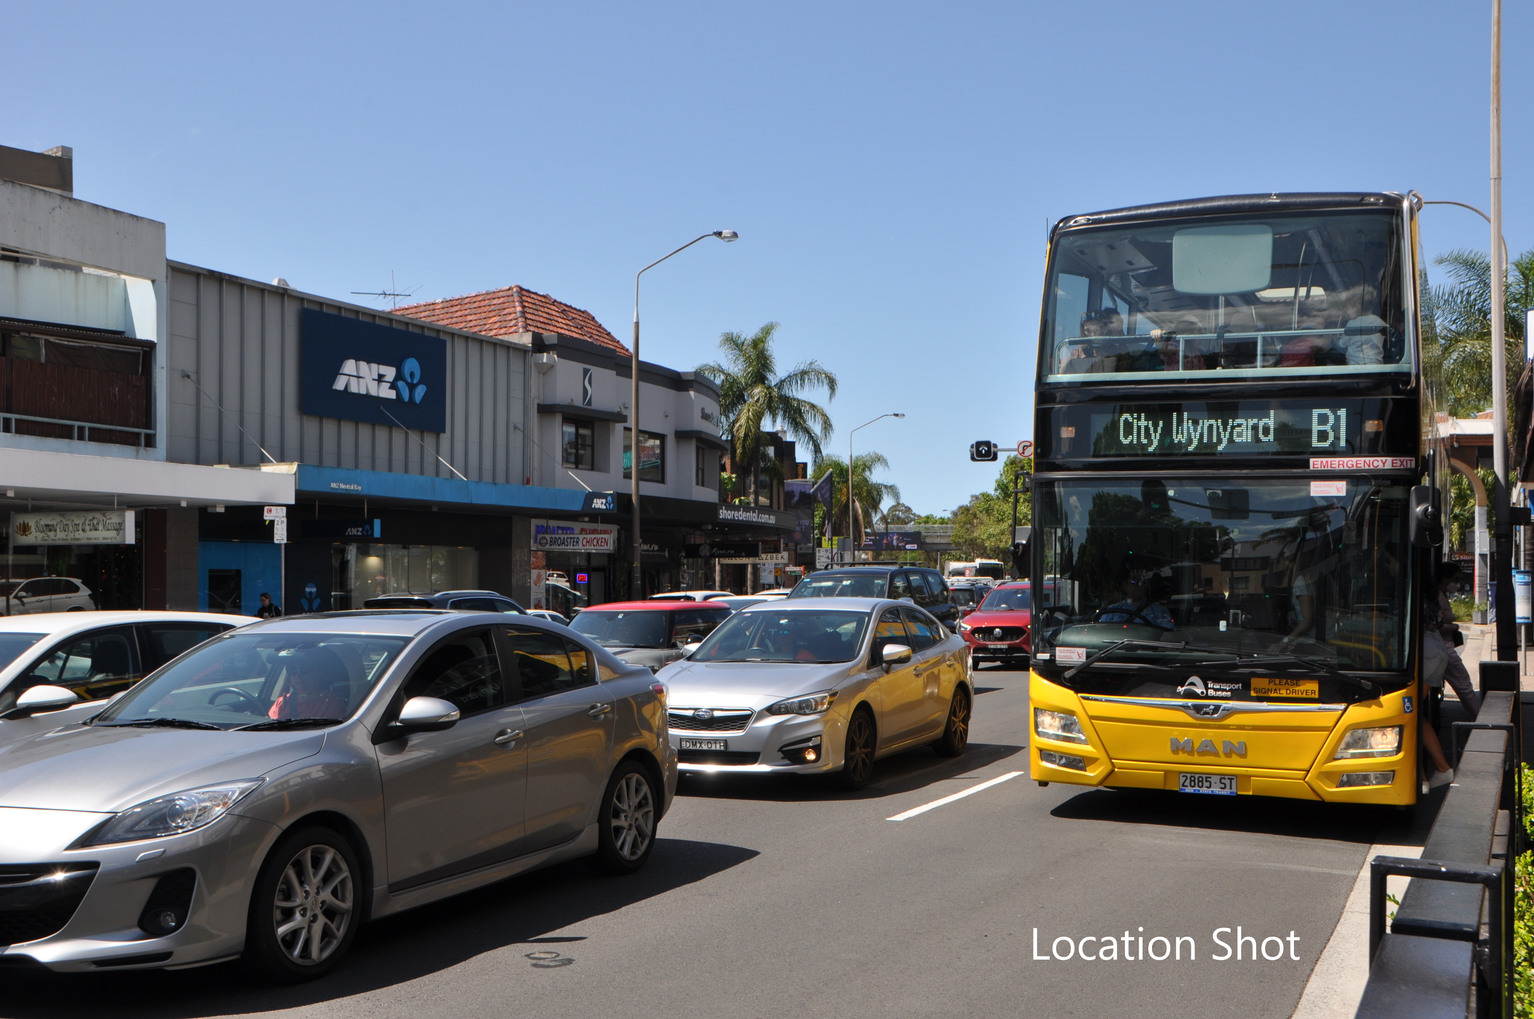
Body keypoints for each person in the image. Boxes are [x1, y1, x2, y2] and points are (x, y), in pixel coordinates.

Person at [267, 647, 350, 720]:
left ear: (318, 672)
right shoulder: (282, 702)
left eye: (304, 670)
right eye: (293, 670)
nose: (298, 676)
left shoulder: (331, 704)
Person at [1099, 568, 1173, 629]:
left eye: (1144, 582)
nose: (1140, 586)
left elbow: (1167, 634)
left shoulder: (1159, 611)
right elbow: (1101, 634)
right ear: (1125, 585)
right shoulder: (1111, 611)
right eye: (1135, 582)